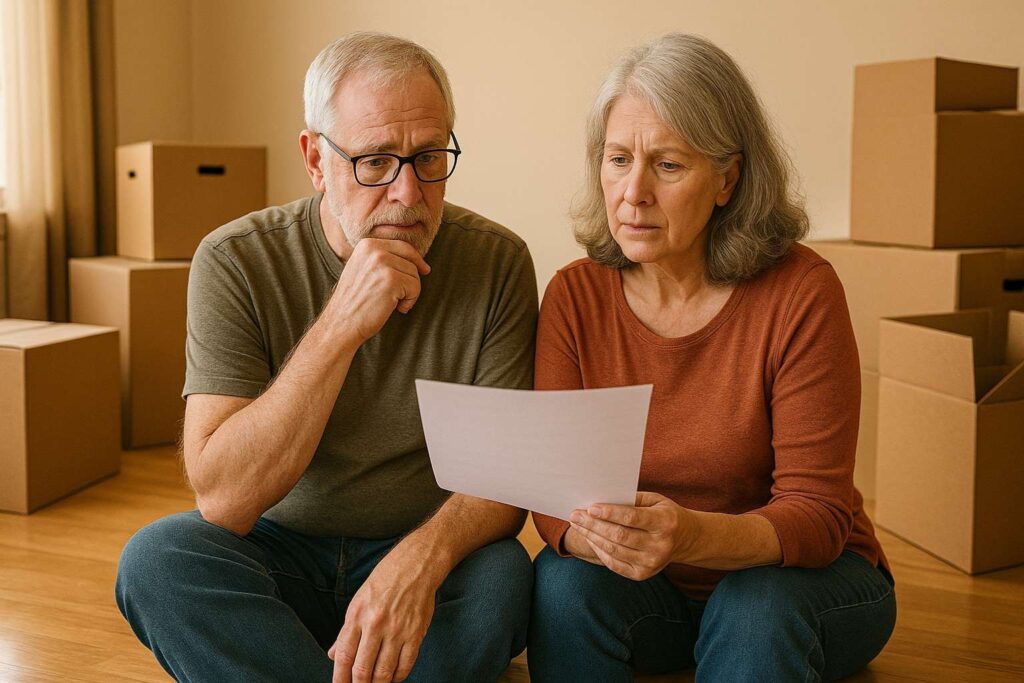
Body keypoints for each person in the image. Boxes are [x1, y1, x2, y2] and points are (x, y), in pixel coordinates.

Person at [115, 32, 537, 683]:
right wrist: (340, 324)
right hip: (276, 554)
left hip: (417, 548)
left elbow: (502, 486)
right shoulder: (234, 260)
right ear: (315, 160)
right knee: (156, 560)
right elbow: (223, 500)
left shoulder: (497, 262)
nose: (407, 193)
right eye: (375, 161)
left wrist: (419, 561)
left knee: (502, 576)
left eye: (429, 157)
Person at [529, 33, 895, 682]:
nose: (634, 191)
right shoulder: (573, 296)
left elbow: (818, 515)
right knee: (561, 580)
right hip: (657, 592)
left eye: (668, 165)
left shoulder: (802, 292)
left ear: (727, 179)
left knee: (752, 607)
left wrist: (690, 535)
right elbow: (558, 501)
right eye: (618, 159)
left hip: (801, 582)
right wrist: (603, 536)